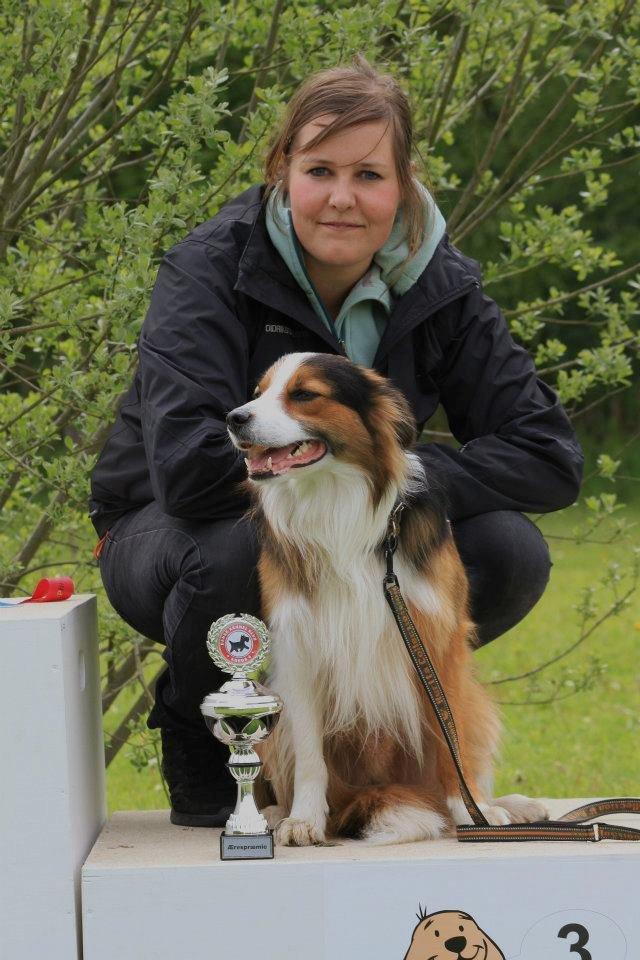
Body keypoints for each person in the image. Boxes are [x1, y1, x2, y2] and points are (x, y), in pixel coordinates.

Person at [89, 55, 583, 827]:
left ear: (404, 183)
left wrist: (394, 477)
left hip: (363, 516)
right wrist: (316, 466)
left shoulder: (442, 282)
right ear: (282, 169)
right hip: (168, 527)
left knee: (506, 548)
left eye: (370, 175)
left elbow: (549, 456)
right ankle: (212, 738)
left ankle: (381, 744)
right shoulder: (207, 269)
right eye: (321, 170)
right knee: (226, 559)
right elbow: (186, 473)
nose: (344, 200)